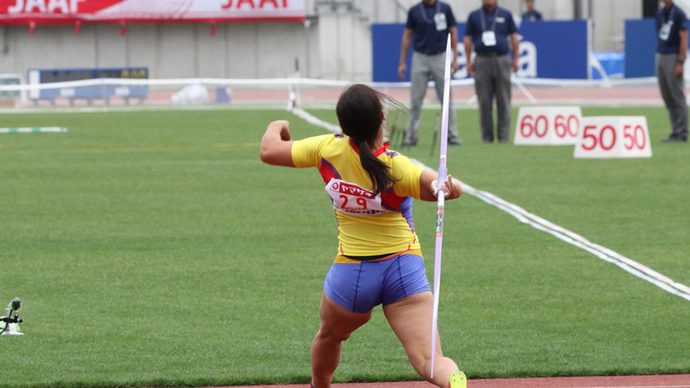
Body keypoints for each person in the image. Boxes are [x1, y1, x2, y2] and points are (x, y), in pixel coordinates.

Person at [260, 84, 466, 388]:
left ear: (343, 125)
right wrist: (448, 187)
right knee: (429, 360)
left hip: (352, 274)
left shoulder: (326, 149)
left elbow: (268, 150)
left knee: (329, 337)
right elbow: (438, 188)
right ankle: (455, 381)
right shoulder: (396, 166)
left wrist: (278, 124)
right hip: (403, 269)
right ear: (382, 117)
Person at [398, 0, 463, 147]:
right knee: (415, 100)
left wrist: (455, 58)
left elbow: (453, 32)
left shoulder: (445, 8)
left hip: (440, 56)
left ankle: (452, 135)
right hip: (420, 56)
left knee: (446, 98)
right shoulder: (414, 10)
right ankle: (411, 136)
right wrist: (402, 61)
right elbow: (407, 35)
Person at [464, 0, 519, 143]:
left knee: (504, 100)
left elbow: (514, 37)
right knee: (484, 101)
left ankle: (503, 137)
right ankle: (487, 137)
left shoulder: (506, 15)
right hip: (482, 60)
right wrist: (468, 60)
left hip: (501, 59)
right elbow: (468, 39)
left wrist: (516, 59)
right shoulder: (474, 16)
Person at [656, 0, 689, 143]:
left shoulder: (679, 13)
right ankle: (675, 129)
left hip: (673, 55)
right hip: (661, 54)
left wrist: (680, 61)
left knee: (676, 94)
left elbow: (684, 37)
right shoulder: (660, 13)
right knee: (667, 95)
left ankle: (682, 132)